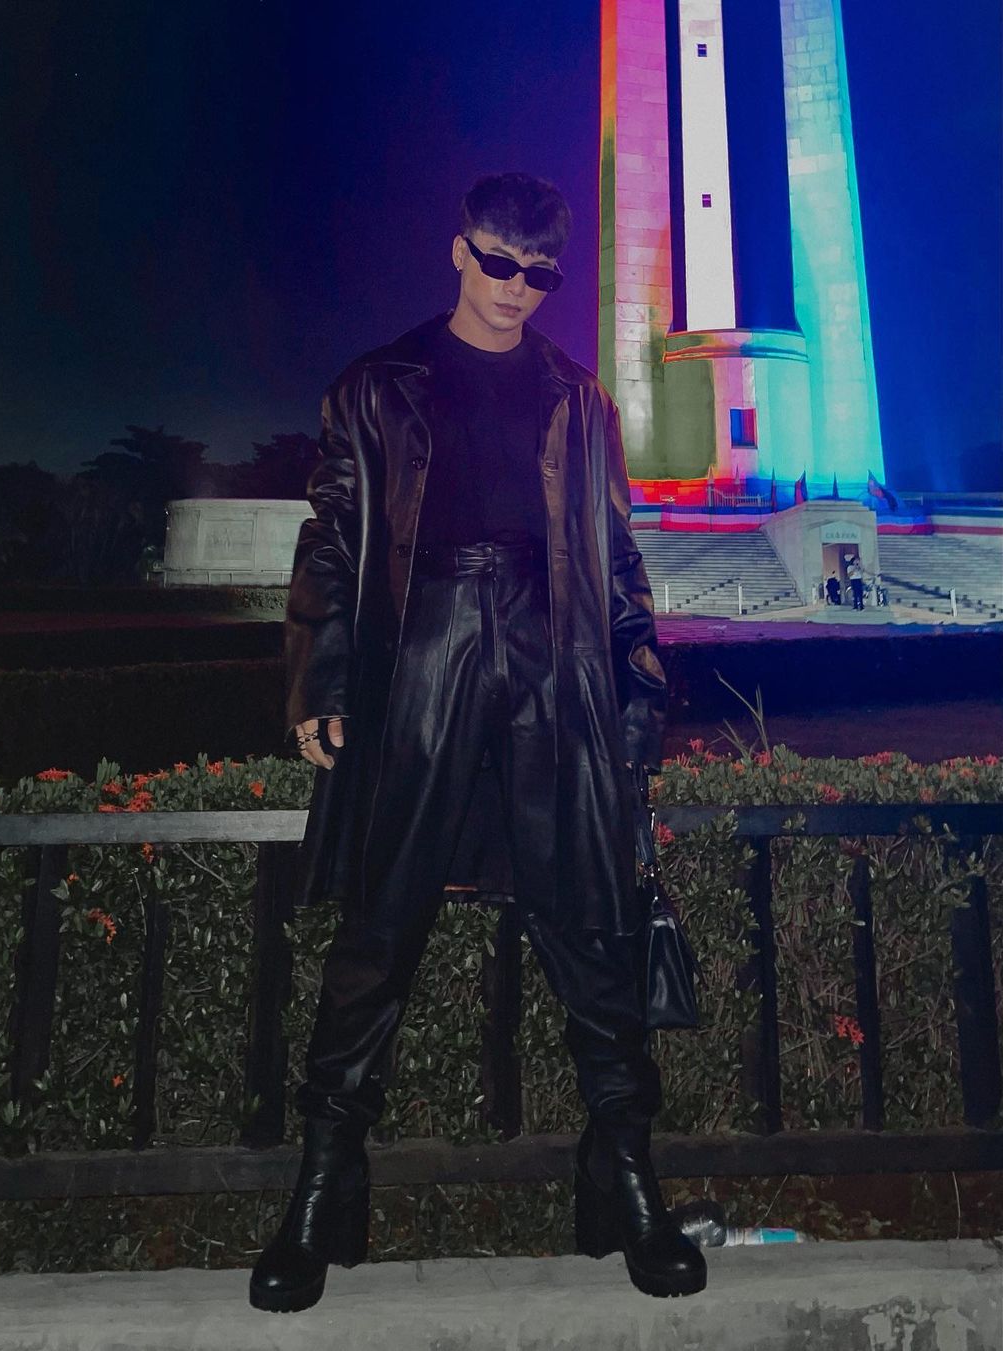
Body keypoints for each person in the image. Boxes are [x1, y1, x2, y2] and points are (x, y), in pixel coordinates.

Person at [249, 172, 706, 1313]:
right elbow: (332, 535)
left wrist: (640, 692)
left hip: (553, 659)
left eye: (538, 273)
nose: (515, 288)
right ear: (459, 250)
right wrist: (321, 676)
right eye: (497, 262)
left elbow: (617, 557)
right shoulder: (376, 385)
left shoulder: (580, 399)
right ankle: (320, 1194)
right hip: (427, 651)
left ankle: (628, 1182)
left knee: (592, 928)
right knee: (378, 934)